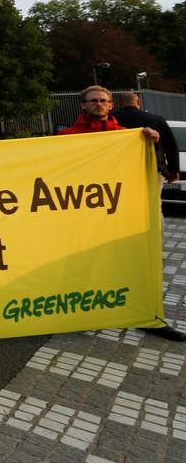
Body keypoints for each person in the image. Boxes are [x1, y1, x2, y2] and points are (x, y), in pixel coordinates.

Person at [57, 86, 183, 342]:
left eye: (104, 100)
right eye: (93, 101)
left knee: (142, 258)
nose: (99, 104)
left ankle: (148, 314)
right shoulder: (69, 137)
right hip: (87, 212)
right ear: (83, 105)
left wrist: (154, 143)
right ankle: (81, 311)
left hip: (126, 211)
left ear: (112, 105)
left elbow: (152, 162)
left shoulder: (131, 136)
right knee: (86, 261)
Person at [113, 92, 180, 183]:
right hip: (152, 168)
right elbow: (170, 146)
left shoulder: (112, 119)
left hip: (120, 168)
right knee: (153, 197)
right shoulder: (157, 119)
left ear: (120, 103)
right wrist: (173, 170)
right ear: (138, 102)